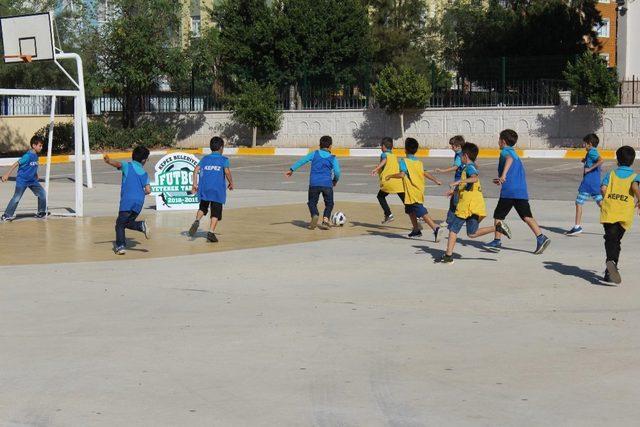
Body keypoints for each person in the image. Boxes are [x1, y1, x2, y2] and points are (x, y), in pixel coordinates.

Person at [439, 143, 512, 264]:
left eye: (461, 155)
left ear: (465, 156)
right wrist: (454, 191)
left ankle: (448, 256)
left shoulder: (469, 167)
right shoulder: (467, 167)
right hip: (474, 206)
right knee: (472, 233)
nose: (460, 157)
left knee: (453, 230)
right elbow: (468, 185)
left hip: (466, 206)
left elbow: (474, 178)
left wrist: (457, 182)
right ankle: (498, 228)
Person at [484, 129, 550, 254]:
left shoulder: (506, 152)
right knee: (527, 216)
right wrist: (501, 179)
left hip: (509, 191)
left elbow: (509, 160)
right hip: (520, 191)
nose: (498, 142)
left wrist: (503, 176)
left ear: (503, 141)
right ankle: (541, 237)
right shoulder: (514, 153)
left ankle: (496, 242)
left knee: (498, 216)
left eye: (499, 140)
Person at [385, 137, 442, 241]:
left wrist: (390, 176)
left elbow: (402, 174)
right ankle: (416, 230)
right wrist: (435, 180)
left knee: (420, 211)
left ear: (405, 149)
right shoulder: (419, 162)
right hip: (417, 190)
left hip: (412, 192)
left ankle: (435, 228)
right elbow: (424, 173)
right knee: (410, 210)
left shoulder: (404, 161)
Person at [599, 146, 640, 284]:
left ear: (617, 159)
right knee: (616, 240)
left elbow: (603, 189)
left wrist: (607, 199)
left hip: (609, 211)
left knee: (610, 239)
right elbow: (634, 187)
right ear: (632, 161)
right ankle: (611, 267)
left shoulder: (611, 174)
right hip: (624, 214)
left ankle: (610, 264)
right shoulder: (635, 176)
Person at [285, 135, 340, 230]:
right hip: (327, 184)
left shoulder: (314, 154)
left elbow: (302, 161)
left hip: (314, 183)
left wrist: (292, 169)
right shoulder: (332, 157)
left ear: (319, 145)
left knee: (312, 202)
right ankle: (325, 220)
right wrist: (334, 180)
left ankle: (314, 214)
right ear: (330, 146)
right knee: (329, 203)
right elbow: (337, 172)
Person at [104, 146, 152, 255]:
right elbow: (148, 190)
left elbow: (118, 164)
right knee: (127, 222)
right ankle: (140, 226)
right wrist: (140, 193)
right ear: (144, 160)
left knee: (120, 224)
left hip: (127, 201)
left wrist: (108, 161)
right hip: (139, 202)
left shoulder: (127, 166)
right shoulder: (144, 174)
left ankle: (120, 246)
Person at [188, 136, 234, 242]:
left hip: (205, 189)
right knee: (215, 213)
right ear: (221, 148)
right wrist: (231, 183)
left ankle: (197, 220)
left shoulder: (205, 159)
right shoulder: (224, 160)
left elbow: (196, 170)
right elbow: (227, 172)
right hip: (217, 191)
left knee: (203, 208)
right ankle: (211, 232)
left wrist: (194, 184)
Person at [566, 133, 605, 236]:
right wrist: (586, 161)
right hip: (595, 183)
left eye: (585, 144)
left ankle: (577, 227)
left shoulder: (592, 152)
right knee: (601, 204)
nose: (584, 146)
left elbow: (601, 160)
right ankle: (614, 221)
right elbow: (596, 162)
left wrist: (589, 169)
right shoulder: (592, 152)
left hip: (588, 183)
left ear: (589, 144)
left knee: (578, 202)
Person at [1, 135, 47, 221]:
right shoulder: (27, 156)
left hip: (32, 180)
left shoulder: (36, 156)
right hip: (22, 180)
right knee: (16, 198)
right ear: (34, 145)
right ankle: (6, 215)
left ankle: (41, 212)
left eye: (41, 145)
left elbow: (33, 166)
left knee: (42, 193)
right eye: (40, 145)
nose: (41, 147)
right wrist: (7, 174)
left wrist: (36, 174)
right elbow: (16, 164)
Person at [371, 137, 404, 223]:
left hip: (388, 181)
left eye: (381, 146)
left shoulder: (384, 155)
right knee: (406, 201)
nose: (381, 147)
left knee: (380, 197)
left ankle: (388, 214)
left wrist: (376, 168)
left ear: (384, 146)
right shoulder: (394, 156)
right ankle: (418, 215)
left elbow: (384, 160)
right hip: (398, 182)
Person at [435, 135, 465, 224]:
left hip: (459, 180)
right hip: (461, 179)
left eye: (453, 146)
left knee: (454, 201)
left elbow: (456, 167)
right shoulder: (462, 153)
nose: (451, 147)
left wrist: (442, 170)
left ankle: (449, 220)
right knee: (459, 200)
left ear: (459, 146)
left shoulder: (459, 155)